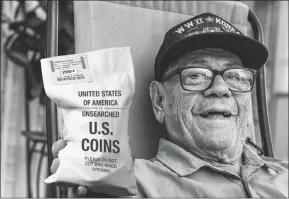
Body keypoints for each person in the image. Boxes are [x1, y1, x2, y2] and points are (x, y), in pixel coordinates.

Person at [50, 13, 288, 197]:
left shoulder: (283, 172)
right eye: (196, 74)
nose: (221, 88)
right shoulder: (133, 185)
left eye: (236, 76)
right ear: (159, 101)